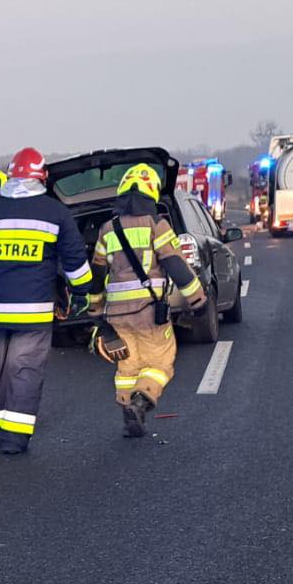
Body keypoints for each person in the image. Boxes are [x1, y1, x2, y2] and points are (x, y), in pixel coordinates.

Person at [0, 147, 92, 454]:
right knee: (24, 370)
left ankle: (0, 422)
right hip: (34, 314)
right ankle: (14, 438)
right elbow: (75, 262)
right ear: (42, 177)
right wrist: (81, 293)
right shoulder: (56, 213)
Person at [87, 163, 207, 438]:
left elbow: (96, 274)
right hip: (148, 310)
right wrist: (197, 301)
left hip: (116, 313)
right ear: (151, 191)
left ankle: (128, 412)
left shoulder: (107, 228)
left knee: (128, 365)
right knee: (160, 363)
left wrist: (95, 310)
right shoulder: (157, 224)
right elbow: (176, 265)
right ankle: (140, 402)